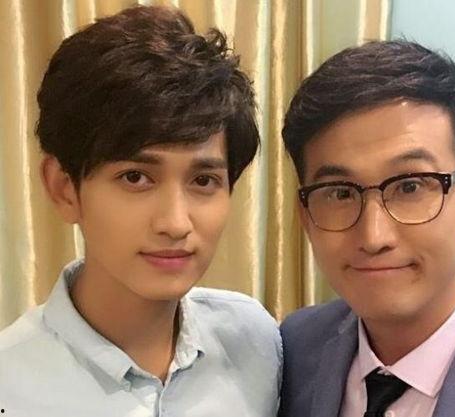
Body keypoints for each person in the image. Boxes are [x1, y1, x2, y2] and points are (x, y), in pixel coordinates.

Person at [0, 5, 281, 417]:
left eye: (204, 181)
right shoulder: (9, 384)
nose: (175, 223)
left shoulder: (255, 341)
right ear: (64, 188)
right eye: (135, 178)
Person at [278, 40, 455, 417]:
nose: (374, 237)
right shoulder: (295, 345)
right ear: (305, 216)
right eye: (340, 193)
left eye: (409, 187)